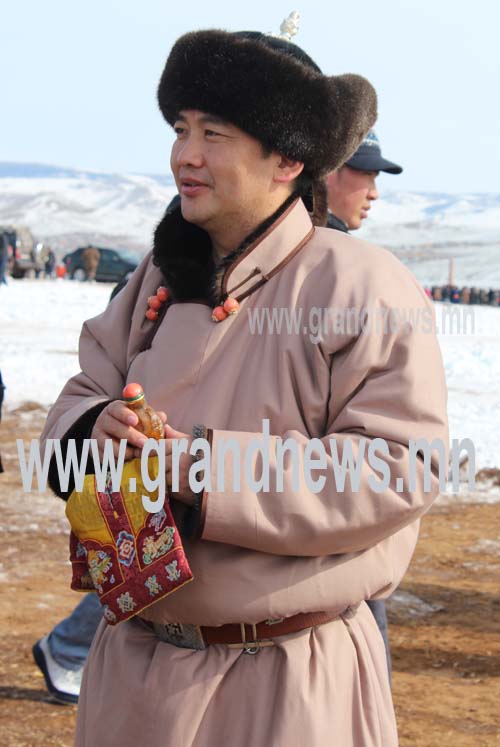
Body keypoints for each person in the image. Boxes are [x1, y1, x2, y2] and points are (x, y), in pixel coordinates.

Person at [40, 27, 448, 746]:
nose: (185, 155)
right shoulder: (156, 279)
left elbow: (397, 467)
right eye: (180, 129)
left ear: (288, 158)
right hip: (130, 677)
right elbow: (77, 400)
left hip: (285, 680)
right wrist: (94, 427)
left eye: (214, 134)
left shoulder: (359, 283)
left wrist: (198, 468)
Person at [325, 130, 403, 680]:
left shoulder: (354, 266)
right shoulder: (338, 268)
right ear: (327, 168)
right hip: (315, 510)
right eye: (366, 174)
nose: (373, 191)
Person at [326, 129, 402, 231]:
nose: (374, 194)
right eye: (367, 173)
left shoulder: (311, 235)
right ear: (328, 172)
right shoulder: (317, 239)